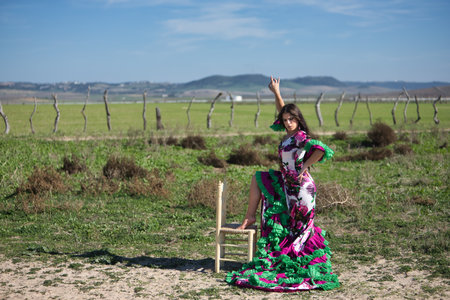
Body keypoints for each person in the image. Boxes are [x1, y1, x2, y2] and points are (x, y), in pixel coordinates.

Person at [226, 76, 340, 292]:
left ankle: (294, 259)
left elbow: (321, 149)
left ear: (298, 120)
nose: (287, 122)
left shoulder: (300, 137)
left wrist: (304, 166)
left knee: (299, 231)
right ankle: (250, 216)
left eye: (291, 119)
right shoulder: (289, 134)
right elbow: (283, 110)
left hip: (302, 190)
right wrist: (276, 92)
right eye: (285, 119)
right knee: (259, 178)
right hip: (288, 185)